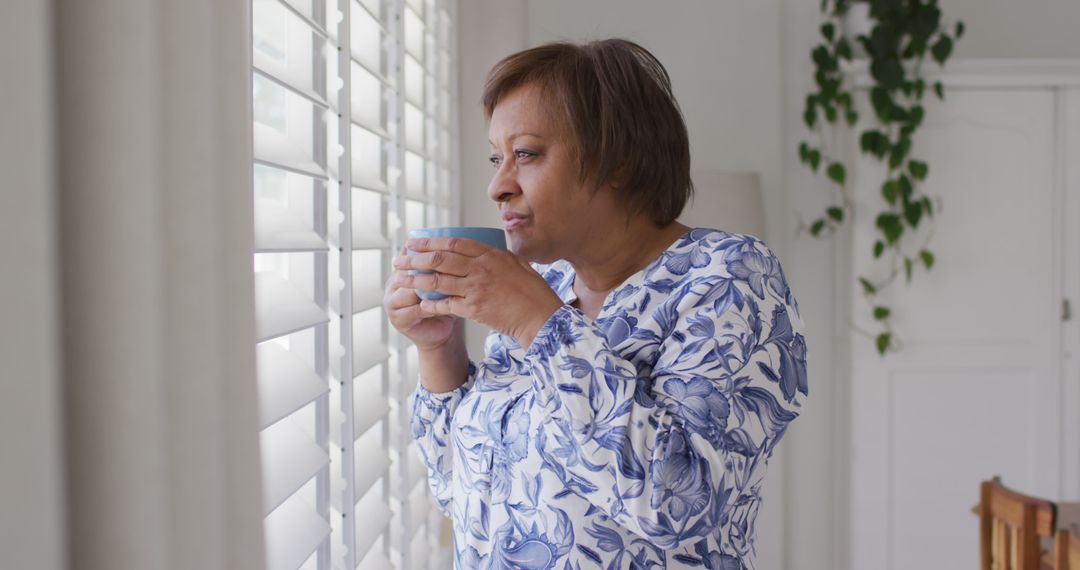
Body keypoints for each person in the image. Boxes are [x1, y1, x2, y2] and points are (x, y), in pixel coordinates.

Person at [384, 38, 808, 570]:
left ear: (618, 160)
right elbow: (465, 493)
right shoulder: (548, 283)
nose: (498, 185)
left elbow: (676, 502)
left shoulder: (728, 276)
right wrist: (440, 349)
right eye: (497, 158)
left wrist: (539, 323)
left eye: (527, 154)